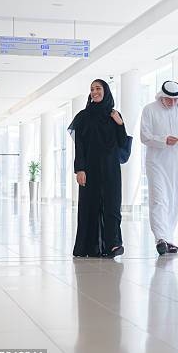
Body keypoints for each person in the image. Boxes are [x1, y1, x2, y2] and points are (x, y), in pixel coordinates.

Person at [68, 79, 128, 258]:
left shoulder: (114, 115)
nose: (95, 92)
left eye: (98, 88)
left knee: (112, 205)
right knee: (89, 206)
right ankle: (89, 247)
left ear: (106, 91)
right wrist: (79, 169)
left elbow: (122, 143)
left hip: (111, 168)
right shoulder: (83, 116)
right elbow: (79, 145)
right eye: (92, 89)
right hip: (89, 168)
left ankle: (113, 245)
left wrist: (120, 124)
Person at [140, 81, 178, 255]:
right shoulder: (149, 110)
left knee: (175, 199)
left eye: (175, 99)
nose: (172, 103)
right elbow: (145, 136)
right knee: (159, 199)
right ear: (161, 96)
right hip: (156, 162)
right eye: (168, 99)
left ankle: (169, 237)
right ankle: (160, 238)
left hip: (177, 163)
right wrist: (163, 140)